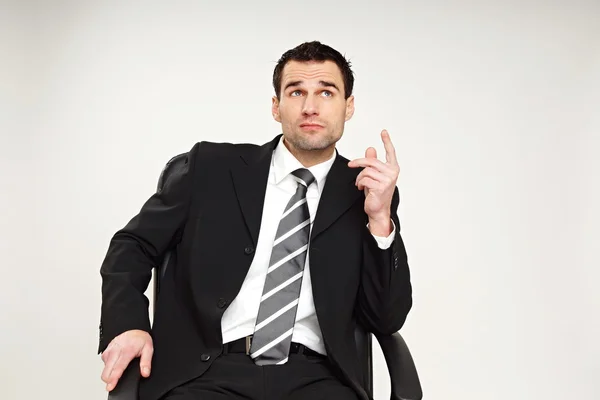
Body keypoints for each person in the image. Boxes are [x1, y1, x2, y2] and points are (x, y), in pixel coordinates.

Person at [98, 41, 412, 400]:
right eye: (296, 92)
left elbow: (386, 319)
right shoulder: (212, 168)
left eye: (326, 92)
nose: (310, 107)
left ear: (348, 106)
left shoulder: (365, 193)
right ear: (276, 107)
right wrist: (129, 326)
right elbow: (133, 246)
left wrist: (380, 220)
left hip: (317, 379)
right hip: (206, 372)